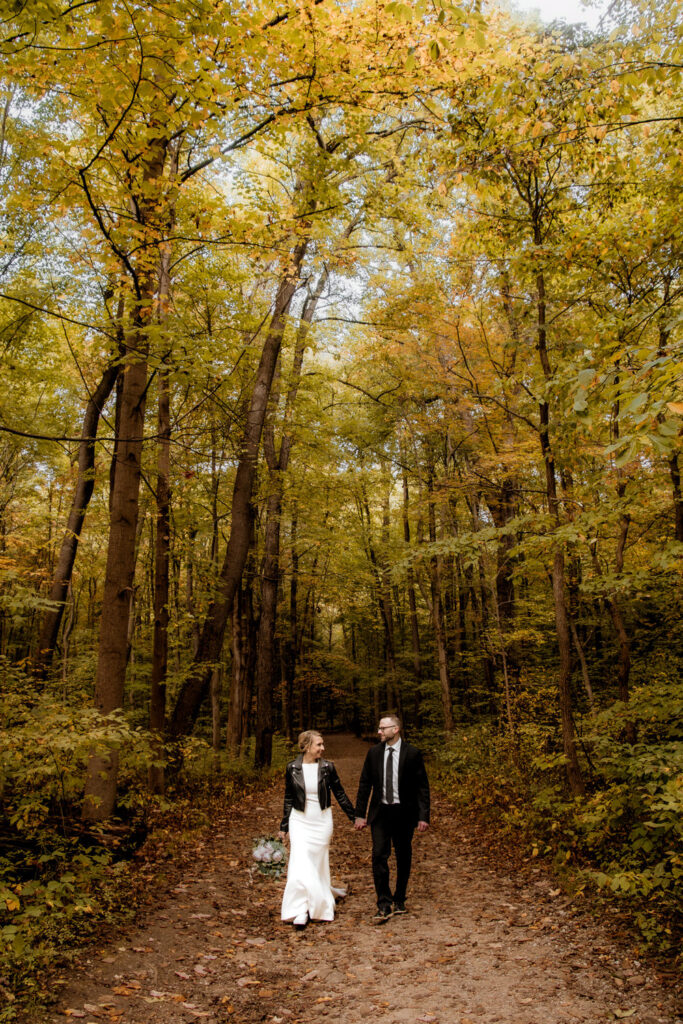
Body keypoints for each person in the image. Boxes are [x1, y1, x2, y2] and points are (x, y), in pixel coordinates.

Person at [354, 713, 430, 923]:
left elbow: (422, 787)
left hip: (404, 814)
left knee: (403, 856)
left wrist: (424, 816)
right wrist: (360, 814)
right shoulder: (374, 753)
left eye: (383, 728)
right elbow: (364, 784)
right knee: (379, 855)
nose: (379, 731)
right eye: (379, 728)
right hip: (380, 813)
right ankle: (384, 903)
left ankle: (399, 898)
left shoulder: (412, 753)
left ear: (395, 730)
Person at [277, 730, 355, 927]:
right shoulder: (292, 768)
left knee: (316, 864)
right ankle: (300, 909)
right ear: (306, 746)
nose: (323, 748)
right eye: (318, 744)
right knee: (300, 863)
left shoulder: (328, 768)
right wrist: (284, 826)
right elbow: (288, 798)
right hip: (299, 820)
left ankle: (317, 903)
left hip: (321, 821)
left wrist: (355, 817)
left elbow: (340, 793)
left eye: (322, 744)